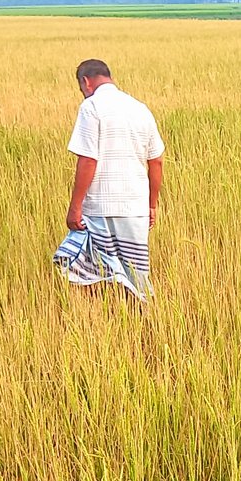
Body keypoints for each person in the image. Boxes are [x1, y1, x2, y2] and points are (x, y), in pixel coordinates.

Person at [54, 59, 165, 301]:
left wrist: (75, 207)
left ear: (85, 82)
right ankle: (146, 323)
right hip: (135, 209)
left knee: (83, 269)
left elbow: (88, 160)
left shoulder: (92, 107)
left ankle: (102, 318)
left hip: (101, 210)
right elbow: (156, 161)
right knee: (137, 277)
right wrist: (152, 205)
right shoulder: (140, 108)